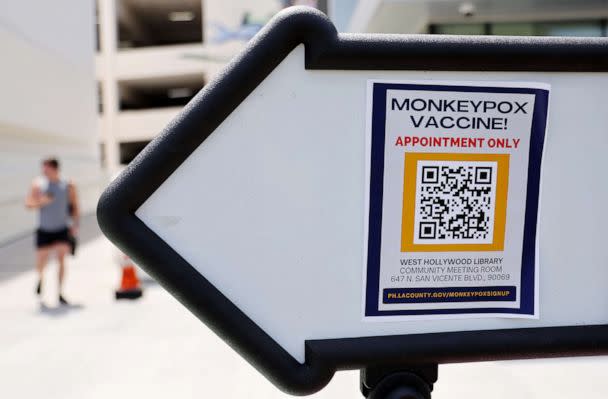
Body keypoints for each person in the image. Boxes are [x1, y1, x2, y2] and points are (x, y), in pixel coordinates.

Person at [25, 158, 79, 305]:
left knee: (61, 259)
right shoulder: (38, 184)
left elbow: (74, 206)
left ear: (55, 169)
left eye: (46, 169)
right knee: (41, 262)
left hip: (61, 229)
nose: (43, 172)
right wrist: (42, 201)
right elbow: (28, 204)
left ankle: (60, 292)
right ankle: (41, 279)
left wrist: (75, 225)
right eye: (43, 169)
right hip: (44, 230)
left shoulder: (68, 184)